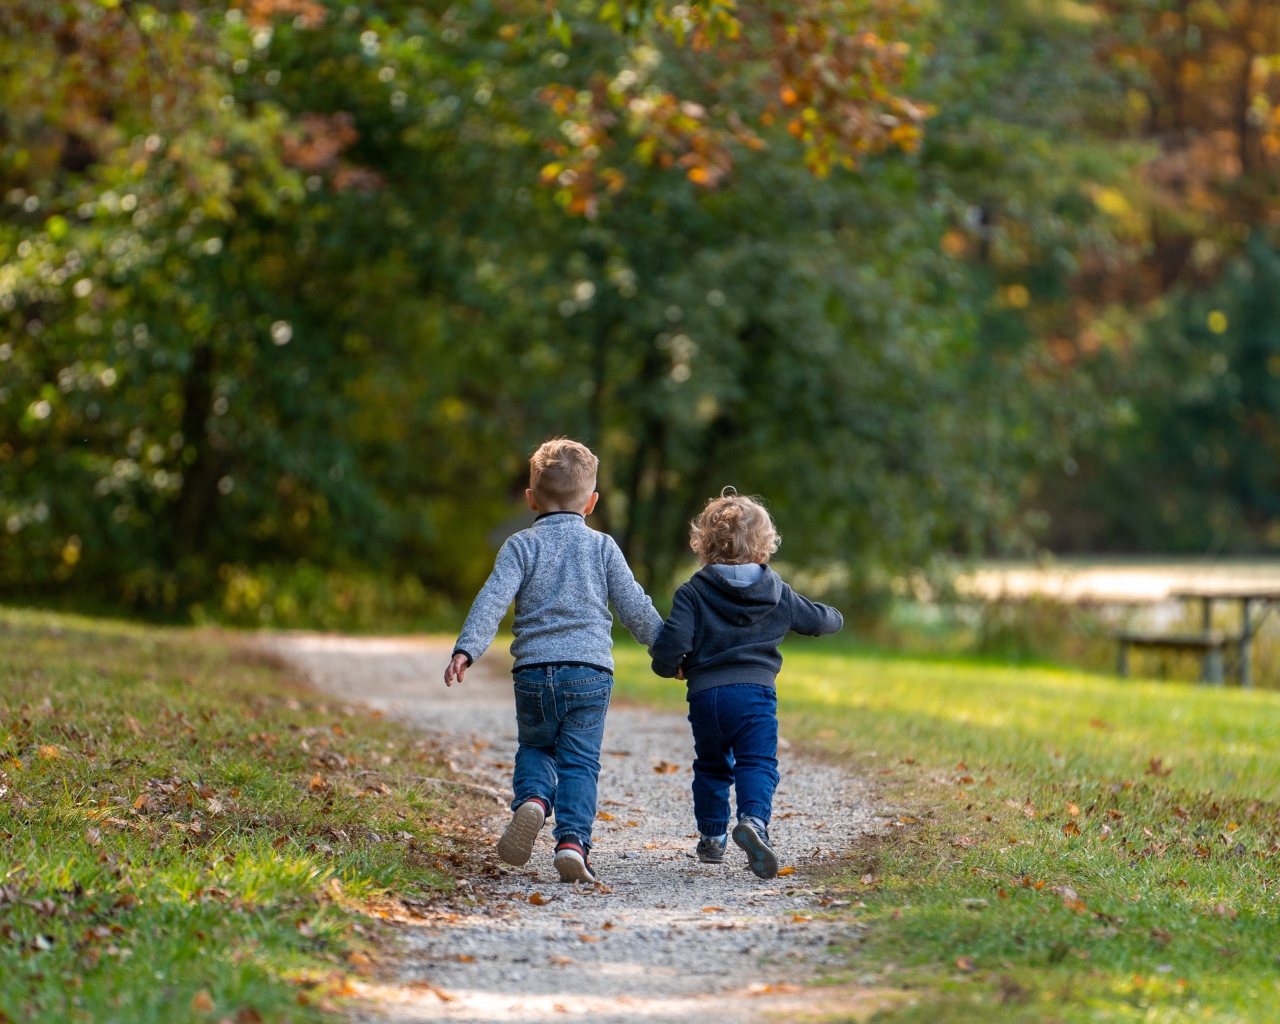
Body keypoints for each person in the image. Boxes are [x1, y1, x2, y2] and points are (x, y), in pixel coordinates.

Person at [444, 438, 662, 883]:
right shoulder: (603, 547)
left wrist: (467, 648)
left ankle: (535, 800)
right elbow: (633, 605)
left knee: (536, 746)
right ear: (592, 502)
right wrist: (667, 649)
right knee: (580, 762)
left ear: (530, 499)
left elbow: (492, 600)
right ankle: (572, 843)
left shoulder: (520, 546)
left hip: (532, 673)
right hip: (589, 674)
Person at [650, 489, 843, 879]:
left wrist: (670, 667)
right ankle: (754, 822)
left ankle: (712, 837)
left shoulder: (692, 592)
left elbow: (673, 643)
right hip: (755, 697)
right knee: (757, 762)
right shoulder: (777, 593)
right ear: (763, 548)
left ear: (704, 546)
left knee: (710, 765)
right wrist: (836, 616)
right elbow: (818, 621)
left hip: (706, 698)